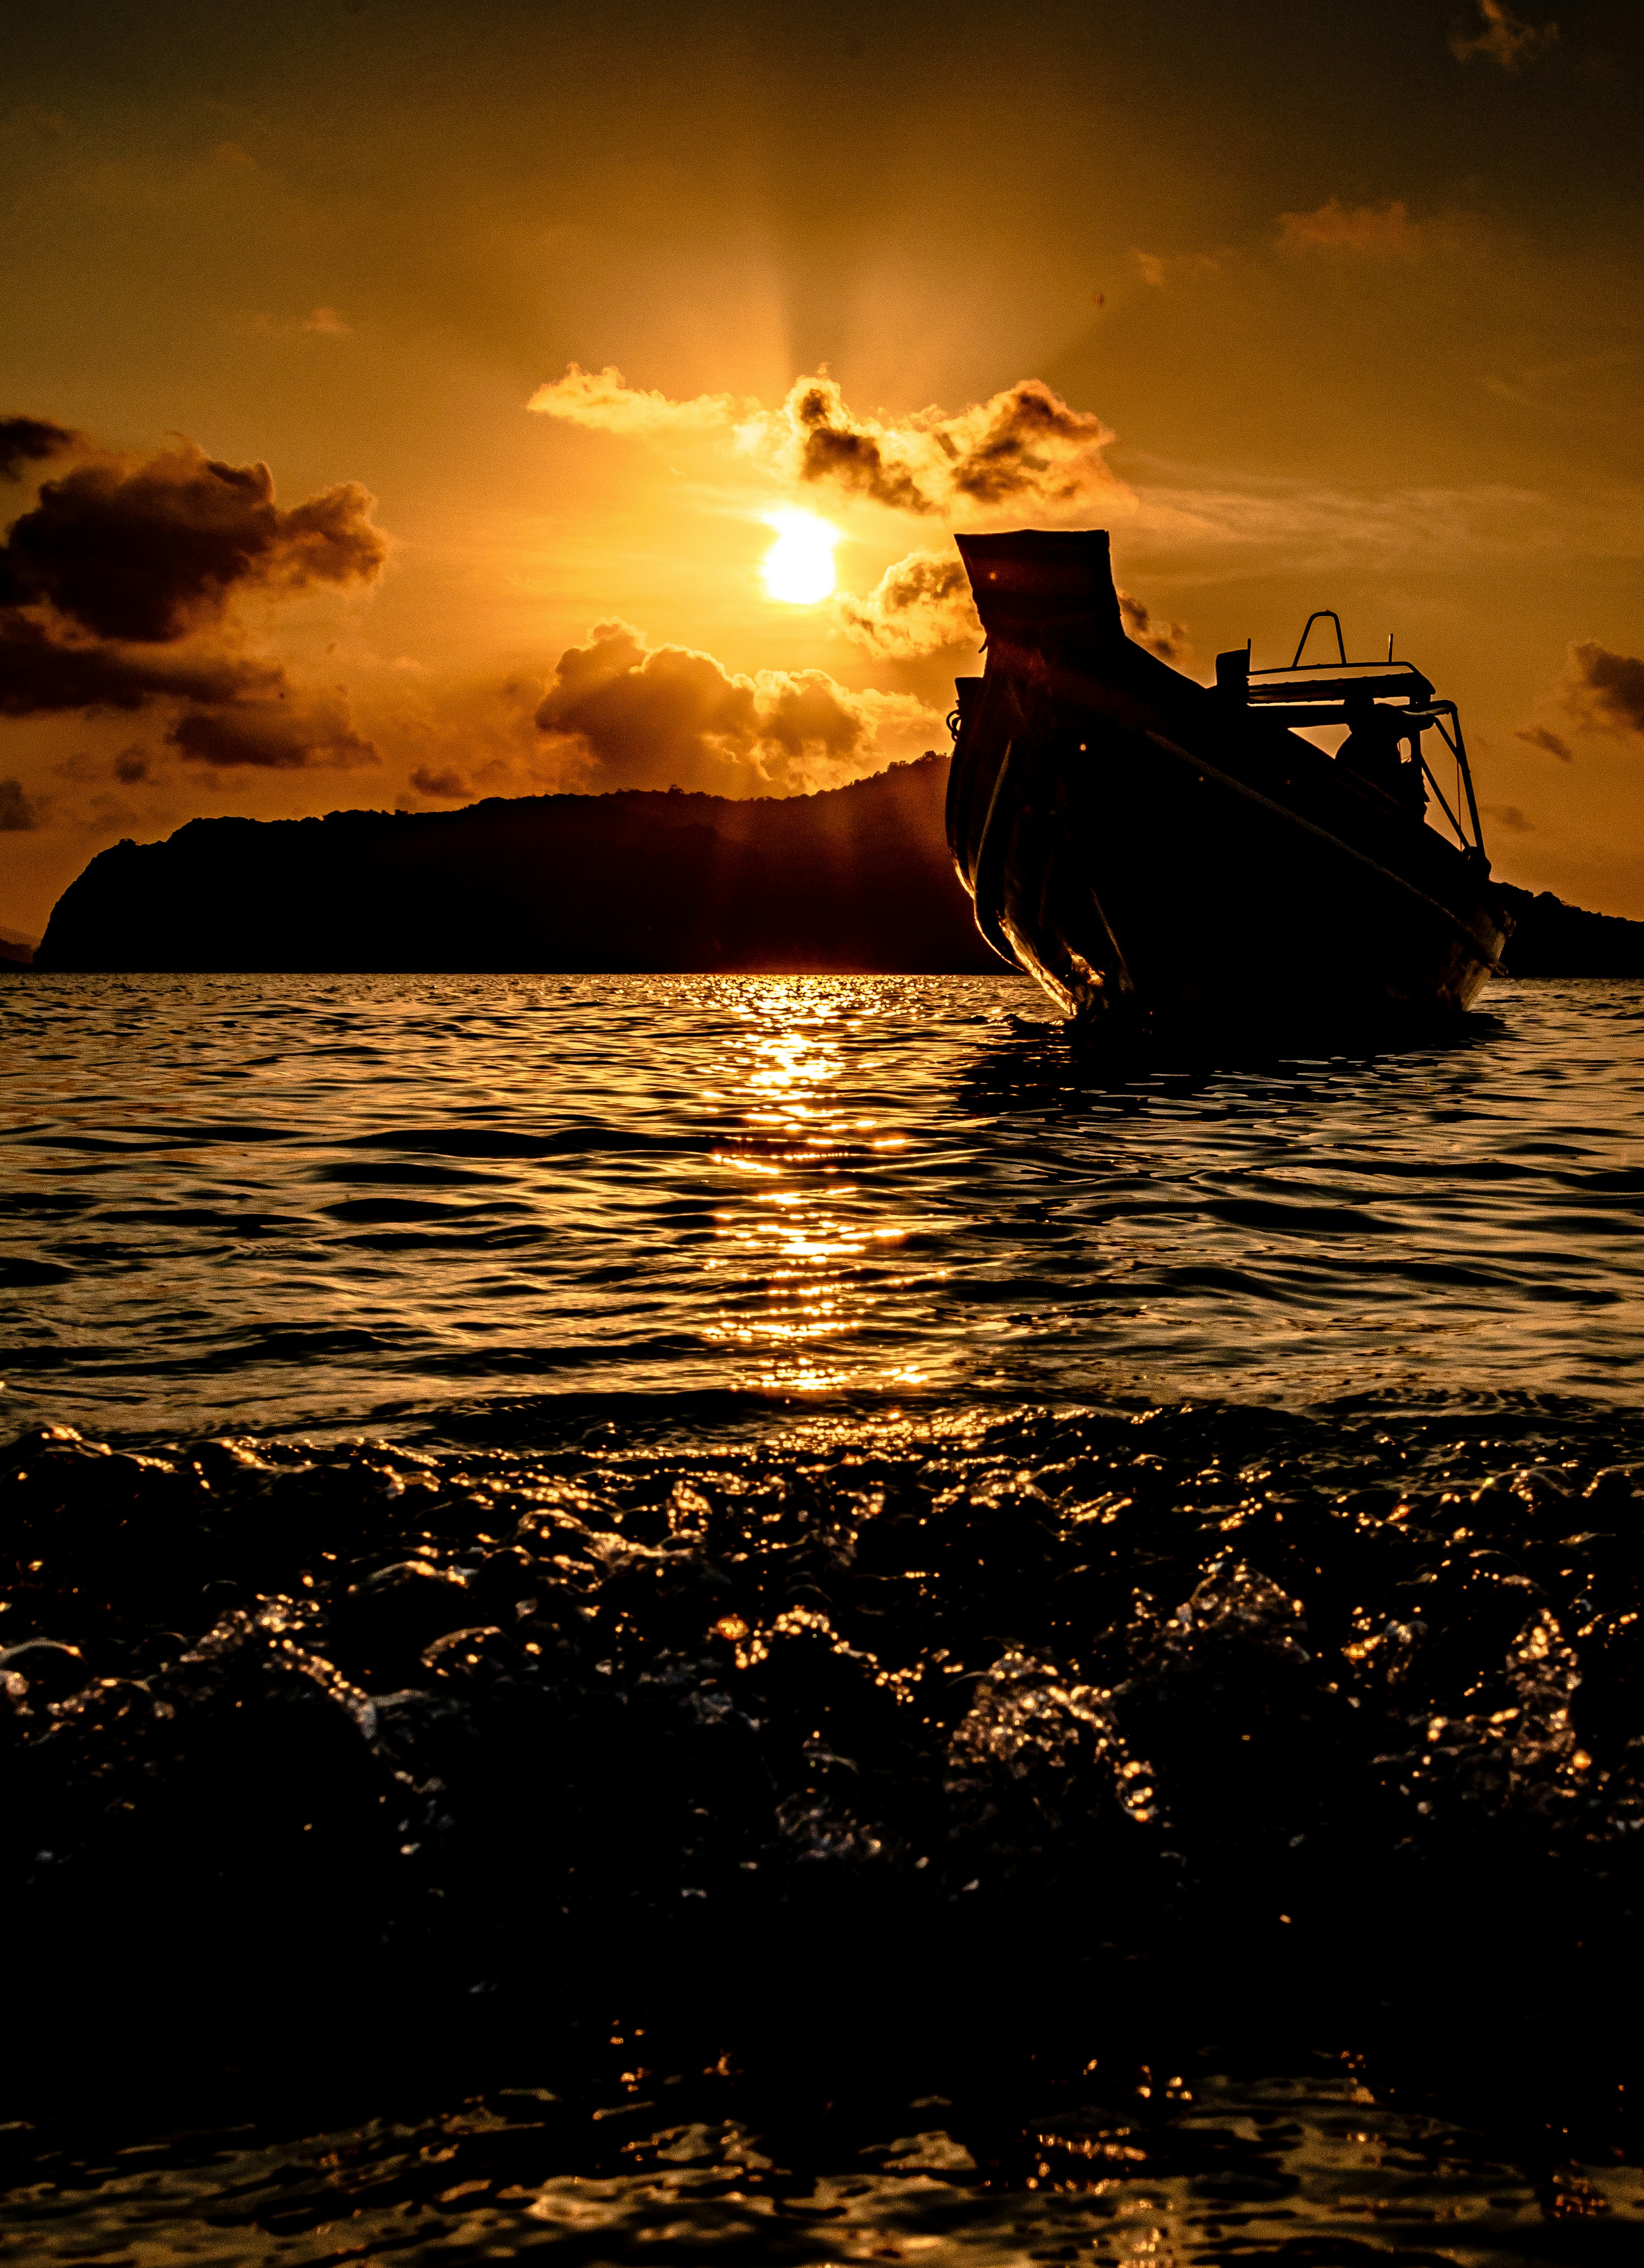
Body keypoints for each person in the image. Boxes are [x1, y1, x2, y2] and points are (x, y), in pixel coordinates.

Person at [1336, 693, 1427, 819]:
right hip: (1370, 804)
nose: (1347, 722)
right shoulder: (1351, 749)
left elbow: (1420, 724)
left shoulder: (1379, 723)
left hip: (1385, 800)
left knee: (1410, 777)